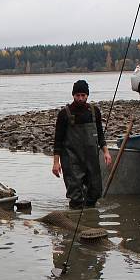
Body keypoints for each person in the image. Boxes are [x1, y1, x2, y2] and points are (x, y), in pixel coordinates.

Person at [52, 79, 112, 208]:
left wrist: (106, 152)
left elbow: (100, 134)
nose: (80, 98)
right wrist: (56, 163)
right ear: (73, 95)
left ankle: (90, 220)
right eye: (77, 95)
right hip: (71, 158)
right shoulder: (64, 114)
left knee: (95, 192)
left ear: (87, 95)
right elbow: (58, 141)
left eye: (83, 95)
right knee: (75, 195)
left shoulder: (94, 111)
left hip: (91, 157)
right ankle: (75, 217)